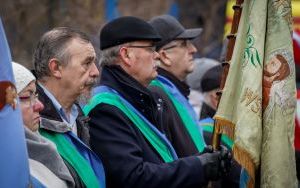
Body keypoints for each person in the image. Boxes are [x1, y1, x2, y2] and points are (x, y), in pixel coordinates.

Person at [83, 16, 231, 188]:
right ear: (126, 55)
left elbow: (159, 160)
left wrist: (199, 159)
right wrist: (198, 166)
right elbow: (133, 177)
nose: (156, 55)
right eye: (150, 48)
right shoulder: (104, 107)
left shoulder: (133, 98)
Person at [33, 27, 105, 188]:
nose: (95, 72)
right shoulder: (29, 122)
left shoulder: (79, 114)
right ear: (56, 68)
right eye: (87, 63)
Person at [148, 14, 207, 157]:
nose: (193, 49)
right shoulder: (156, 94)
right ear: (164, 56)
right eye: (185, 44)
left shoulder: (172, 90)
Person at [12, 62, 75, 187]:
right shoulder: (8, 168)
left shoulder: (44, 146)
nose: (40, 106)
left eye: (35, 95)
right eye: (26, 96)